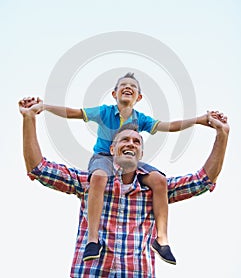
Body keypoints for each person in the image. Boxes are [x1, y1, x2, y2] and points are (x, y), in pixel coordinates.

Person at [21, 73, 220, 265]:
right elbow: (71, 112)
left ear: (138, 97)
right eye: (123, 85)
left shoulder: (140, 118)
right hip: (103, 159)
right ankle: (92, 240)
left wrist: (199, 120)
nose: (128, 87)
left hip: (129, 161)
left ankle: (162, 240)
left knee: (159, 180)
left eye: (133, 86)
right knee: (98, 178)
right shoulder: (104, 112)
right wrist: (43, 107)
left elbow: (171, 126)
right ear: (114, 93)